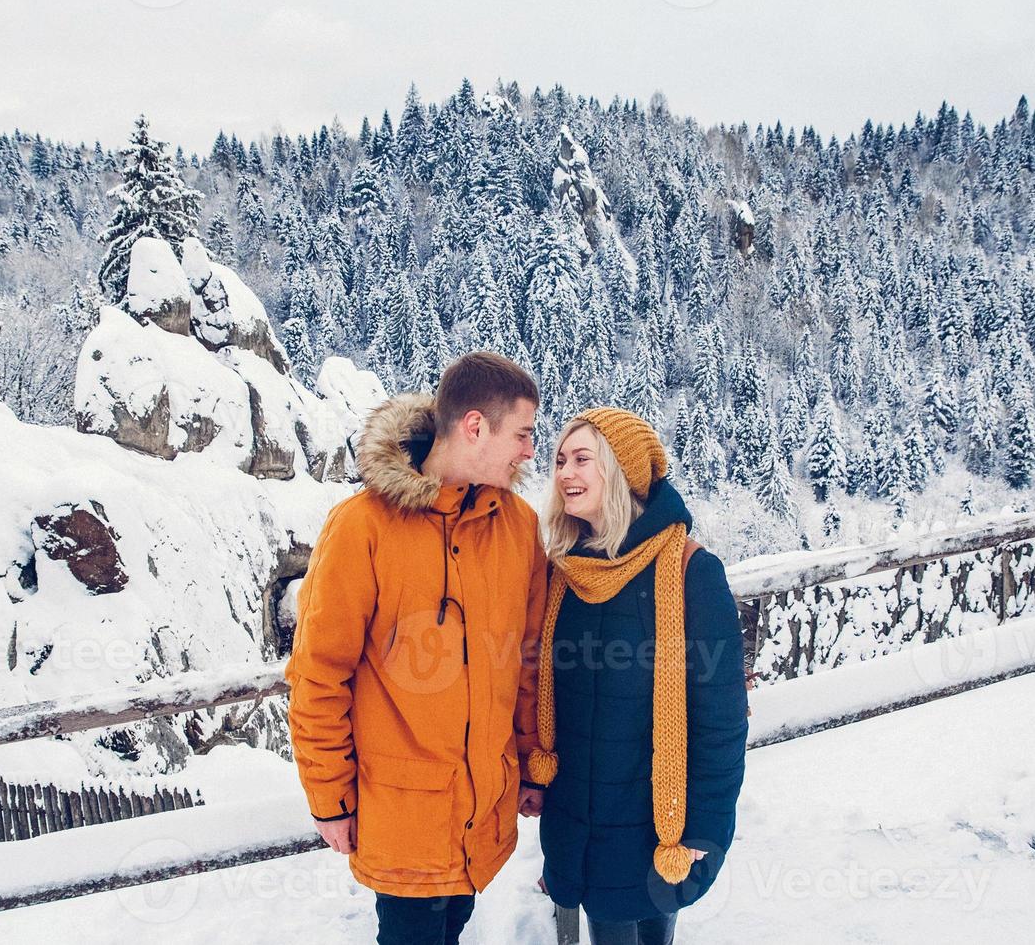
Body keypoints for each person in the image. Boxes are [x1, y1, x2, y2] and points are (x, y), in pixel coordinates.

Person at [285, 352, 549, 945]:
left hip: (484, 804)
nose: (531, 452)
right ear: (475, 427)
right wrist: (330, 798)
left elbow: (528, 662)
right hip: (401, 814)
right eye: (524, 434)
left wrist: (533, 764)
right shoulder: (362, 528)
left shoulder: (518, 527)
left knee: (453, 928)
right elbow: (319, 675)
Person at [523, 408, 748, 945]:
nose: (565, 473)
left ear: (622, 470)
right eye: (559, 461)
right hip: (575, 817)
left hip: (653, 824)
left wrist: (705, 831)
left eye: (583, 459)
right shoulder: (561, 573)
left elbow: (721, 721)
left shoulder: (692, 573)